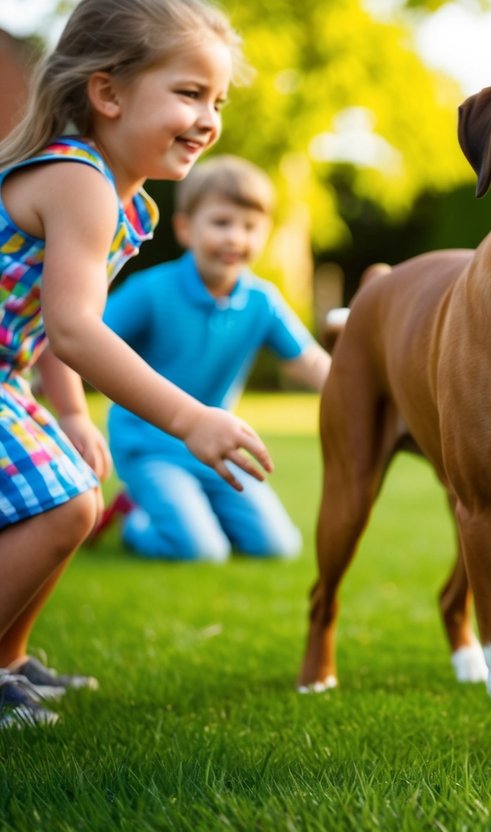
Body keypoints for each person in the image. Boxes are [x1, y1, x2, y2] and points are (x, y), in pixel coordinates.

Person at [0, 0, 270, 729]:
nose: (209, 118)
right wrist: (190, 419)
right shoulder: (78, 180)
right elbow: (78, 330)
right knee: (66, 506)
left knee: (75, 486)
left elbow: (50, 325)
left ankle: (9, 663)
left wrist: (72, 416)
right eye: (188, 93)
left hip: (8, 372)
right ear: (108, 92)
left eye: (217, 100)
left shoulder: (127, 200)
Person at [92, 155, 330, 561]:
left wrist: (363, 388)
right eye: (222, 223)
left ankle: (194, 511)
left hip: (218, 447)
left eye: (250, 226)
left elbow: (309, 362)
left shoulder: (262, 301)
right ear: (186, 228)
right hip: (149, 447)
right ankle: (135, 517)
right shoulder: (151, 289)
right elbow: (88, 335)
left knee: (277, 545)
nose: (236, 238)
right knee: (201, 550)